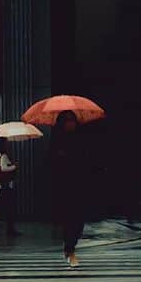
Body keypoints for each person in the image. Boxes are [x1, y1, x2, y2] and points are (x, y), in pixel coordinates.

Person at [49, 110, 88, 267]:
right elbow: (50, 164)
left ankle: (70, 246)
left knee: (79, 222)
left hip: (79, 185)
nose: (70, 123)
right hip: (64, 187)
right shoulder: (57, 141)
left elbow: (87, 160)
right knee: (69, 219)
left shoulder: (81, 139)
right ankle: (69, 249)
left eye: (72, 120)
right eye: (67, 120)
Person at [0, 149, 20, 236]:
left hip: (4, 185)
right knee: (10, 207)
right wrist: (14, 166)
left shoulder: (0, 156)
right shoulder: (4, 156)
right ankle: (10, 230)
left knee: (9, 208)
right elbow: (3, 169)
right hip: (6, 185)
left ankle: (10, 229)